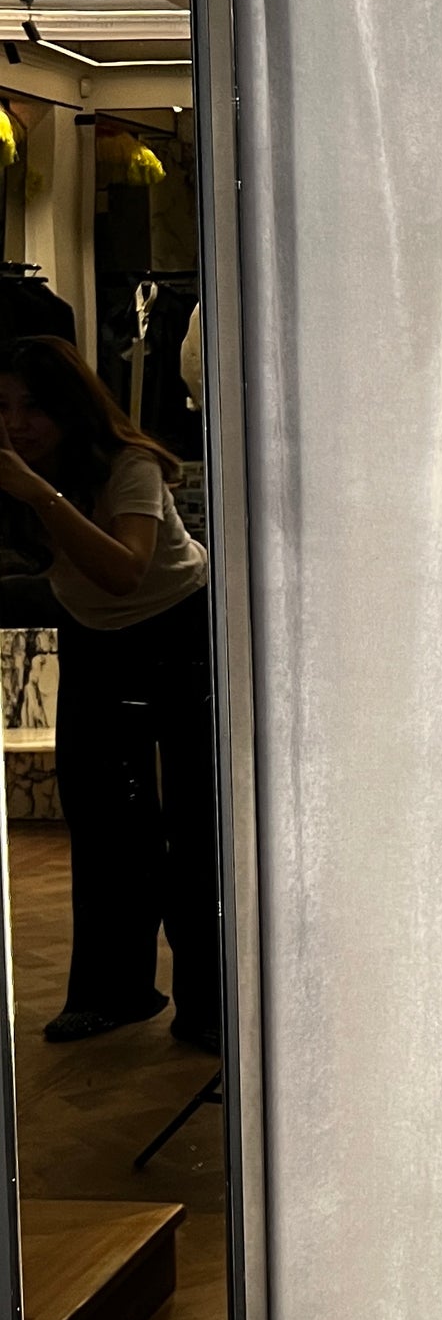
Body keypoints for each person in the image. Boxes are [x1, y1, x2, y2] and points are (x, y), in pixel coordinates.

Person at [0, 335, 221, 1054]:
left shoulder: (130, 465)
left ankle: (210, 1004)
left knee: (196, 820)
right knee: (100, 817)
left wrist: (39, 493)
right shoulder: (19, 469)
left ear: (70, 406)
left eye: (33, 406)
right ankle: (112, 992)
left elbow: (125, 570)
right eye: (4, 406)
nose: (17, 423)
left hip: (179, 629)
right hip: (94, 633)